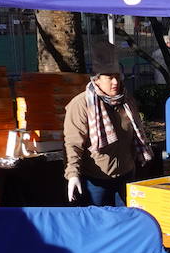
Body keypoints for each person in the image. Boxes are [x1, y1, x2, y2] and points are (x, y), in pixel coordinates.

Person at [64, 59, 153, 206]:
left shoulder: (126, 101)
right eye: (109, 77)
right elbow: (73, 143)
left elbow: (136, 133)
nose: (115, 82)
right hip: (96, 179)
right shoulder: (81, 104)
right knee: (100, 223)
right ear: (96, 80)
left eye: (117, 76)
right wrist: (73, 174)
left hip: (126, 174)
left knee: (126, 222)